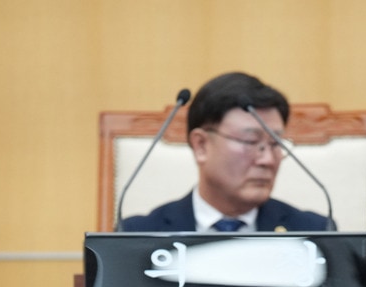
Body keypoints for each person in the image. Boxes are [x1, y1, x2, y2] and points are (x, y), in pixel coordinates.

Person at [118, 72, 330, 234]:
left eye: (275, 143)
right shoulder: (140, 234)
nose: (267, 160)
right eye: (251, 141)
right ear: (201, 146)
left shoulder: (314, 233)